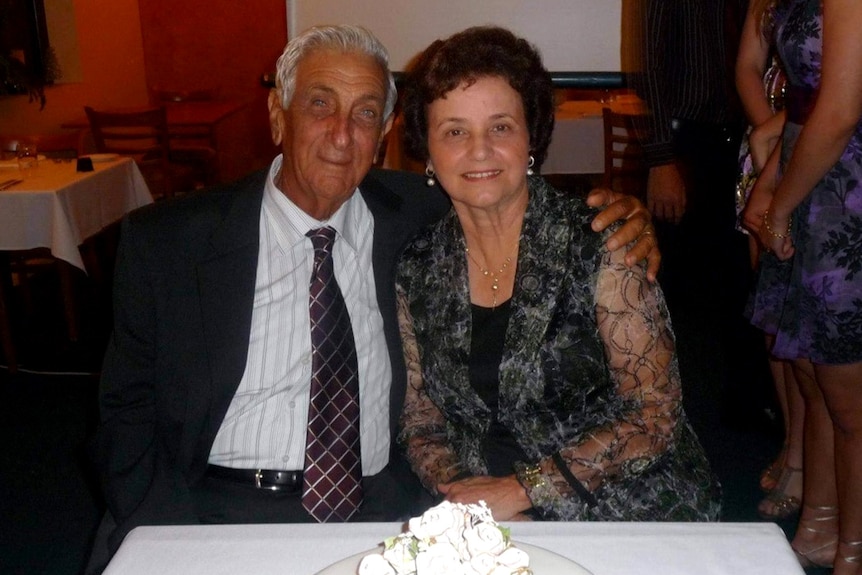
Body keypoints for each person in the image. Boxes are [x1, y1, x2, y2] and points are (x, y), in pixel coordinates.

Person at [87, 24, 657, 571]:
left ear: (385, 131)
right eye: (319, 104)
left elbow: (506, 192)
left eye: (365, 113)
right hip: (214, 509)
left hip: (380, 510)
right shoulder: (168, 243)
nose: (342, 134)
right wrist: (169, 537)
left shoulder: (421, 217)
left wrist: (614, 218)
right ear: (276, 116)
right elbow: (125, 415)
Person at [395, 26, 718, 522]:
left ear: (531, 137)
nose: (479, 150)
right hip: (487, 507)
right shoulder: (417, 264)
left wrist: (525, 490)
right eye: (455, 131)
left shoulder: (602, 241)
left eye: (500, 126)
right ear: (429, 151)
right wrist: (470, 499)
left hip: (620, 504)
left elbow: (654, 414)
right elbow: (421, 417)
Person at [747, 0, 862, 571]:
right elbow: (806, 104)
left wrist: (781, 204)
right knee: (813, 374)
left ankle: (853, 547)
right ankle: (819, 523)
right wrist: (771, 184)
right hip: (815, 175)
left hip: (847, 191)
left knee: (849, 393)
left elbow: (840, 110)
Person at [633, 0, 773, 430]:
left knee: (739, 288)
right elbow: (650, 64)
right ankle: (676, 425)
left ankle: (740, 415)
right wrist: (661, 159)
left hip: (742, 142)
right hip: (687, 146)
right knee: (680, 297)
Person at [734, 0, 804, 521]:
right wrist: (769, 138)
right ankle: (791, 441)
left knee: (809, 324)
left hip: (820, 143)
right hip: (770, 151)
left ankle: (806, 459)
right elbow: (747, 68)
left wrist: (786, 140)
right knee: (771, 314)